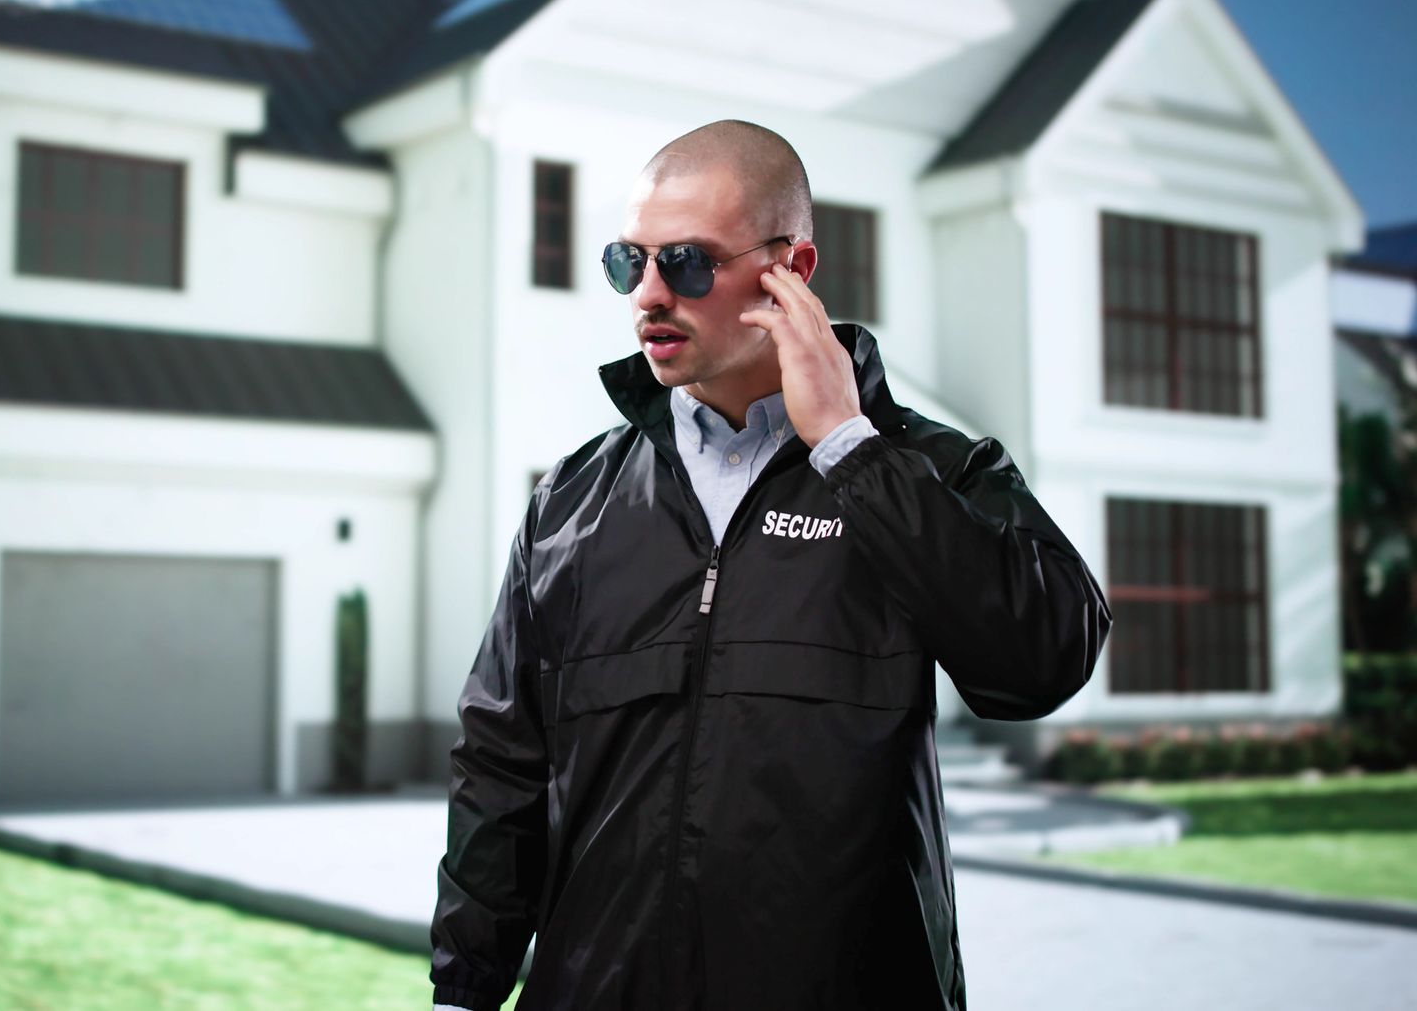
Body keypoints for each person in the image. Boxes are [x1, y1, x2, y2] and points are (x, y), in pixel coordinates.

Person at [428, 120, 1113, 1010]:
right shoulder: (570, 503)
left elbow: (1041, 665)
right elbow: (500, 768)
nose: (647, 295)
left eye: (685, 262)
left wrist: (851, 451)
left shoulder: (933, 473)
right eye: (625, 262)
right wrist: (464, 990)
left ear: (791, 269)